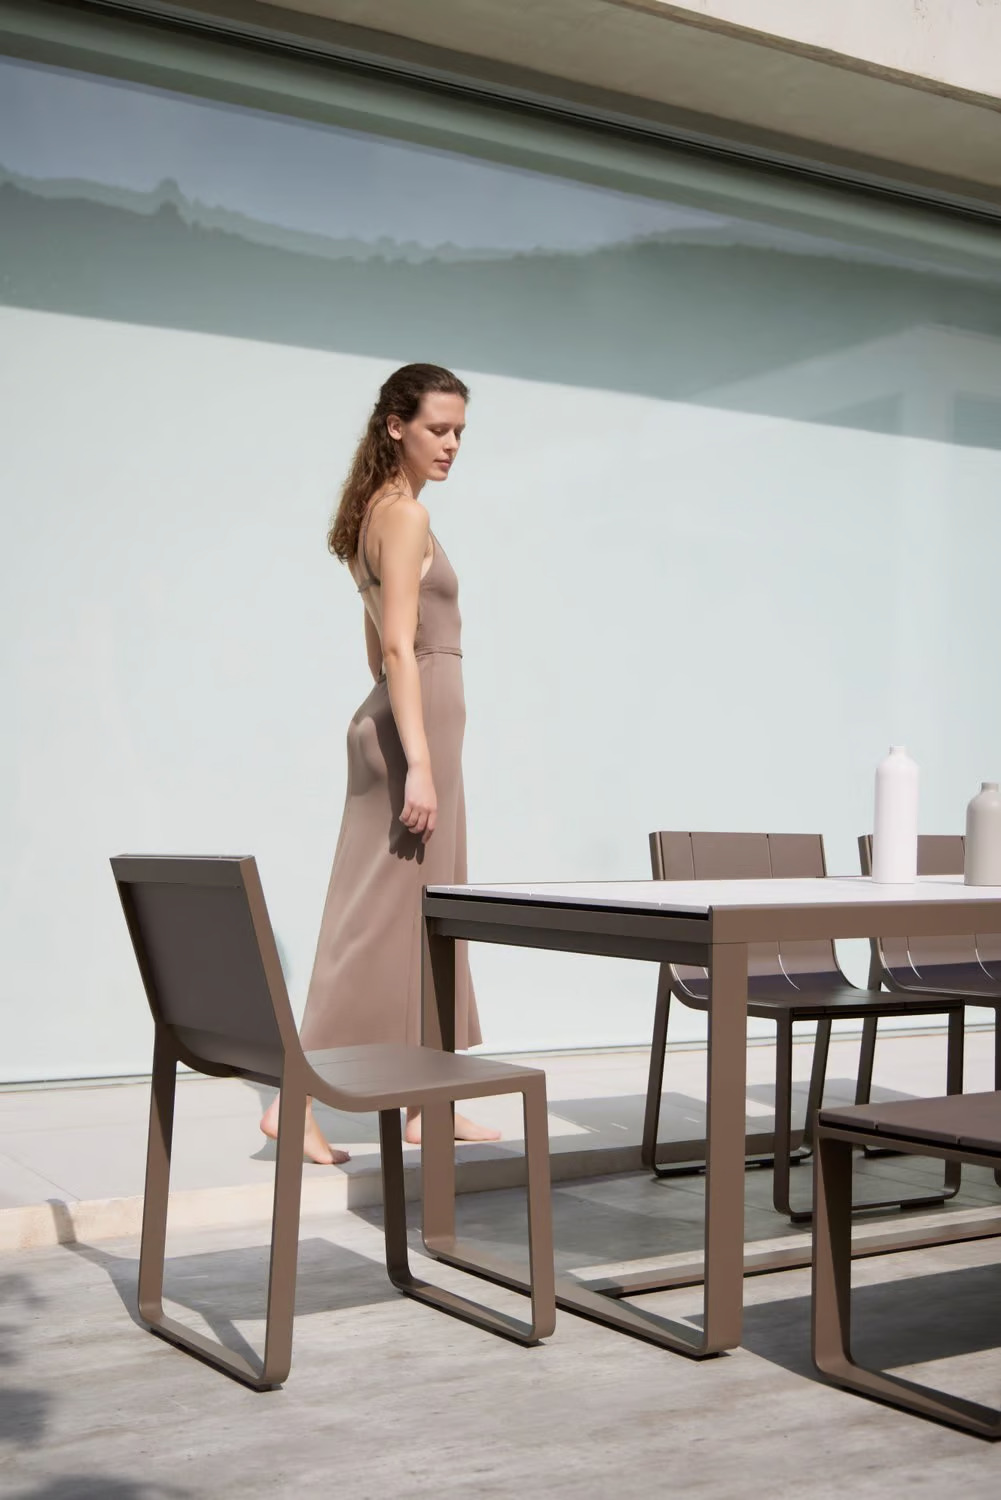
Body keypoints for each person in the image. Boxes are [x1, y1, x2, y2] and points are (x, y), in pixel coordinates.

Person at [261, 363, 500, 1163]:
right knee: (374, 920)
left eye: (459, 431)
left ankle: (430, 1102)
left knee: (429, 911)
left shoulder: (372, 514)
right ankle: (294, 1101)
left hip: (406, 723)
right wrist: (420, 764)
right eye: (438, 428)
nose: (452, 444)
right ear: (396, 425)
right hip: (414, 733)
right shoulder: (403, 517)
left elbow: (375, 645)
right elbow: (397, 647)